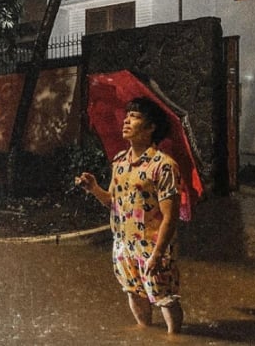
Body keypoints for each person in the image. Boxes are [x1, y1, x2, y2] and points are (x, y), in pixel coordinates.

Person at [75, 96, 184, 334]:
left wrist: (157, 254)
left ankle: (175, 338)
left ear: (151, 127)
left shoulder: (163, 166)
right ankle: (144, 332)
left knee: (164, 296)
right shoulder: (119, 162)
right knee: (133, 292)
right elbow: (113, 202)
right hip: (124, 244)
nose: (126, 121)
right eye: (127, 116)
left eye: (134, 117)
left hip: (153, 246)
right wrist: (94, 189)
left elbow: (171, 216)